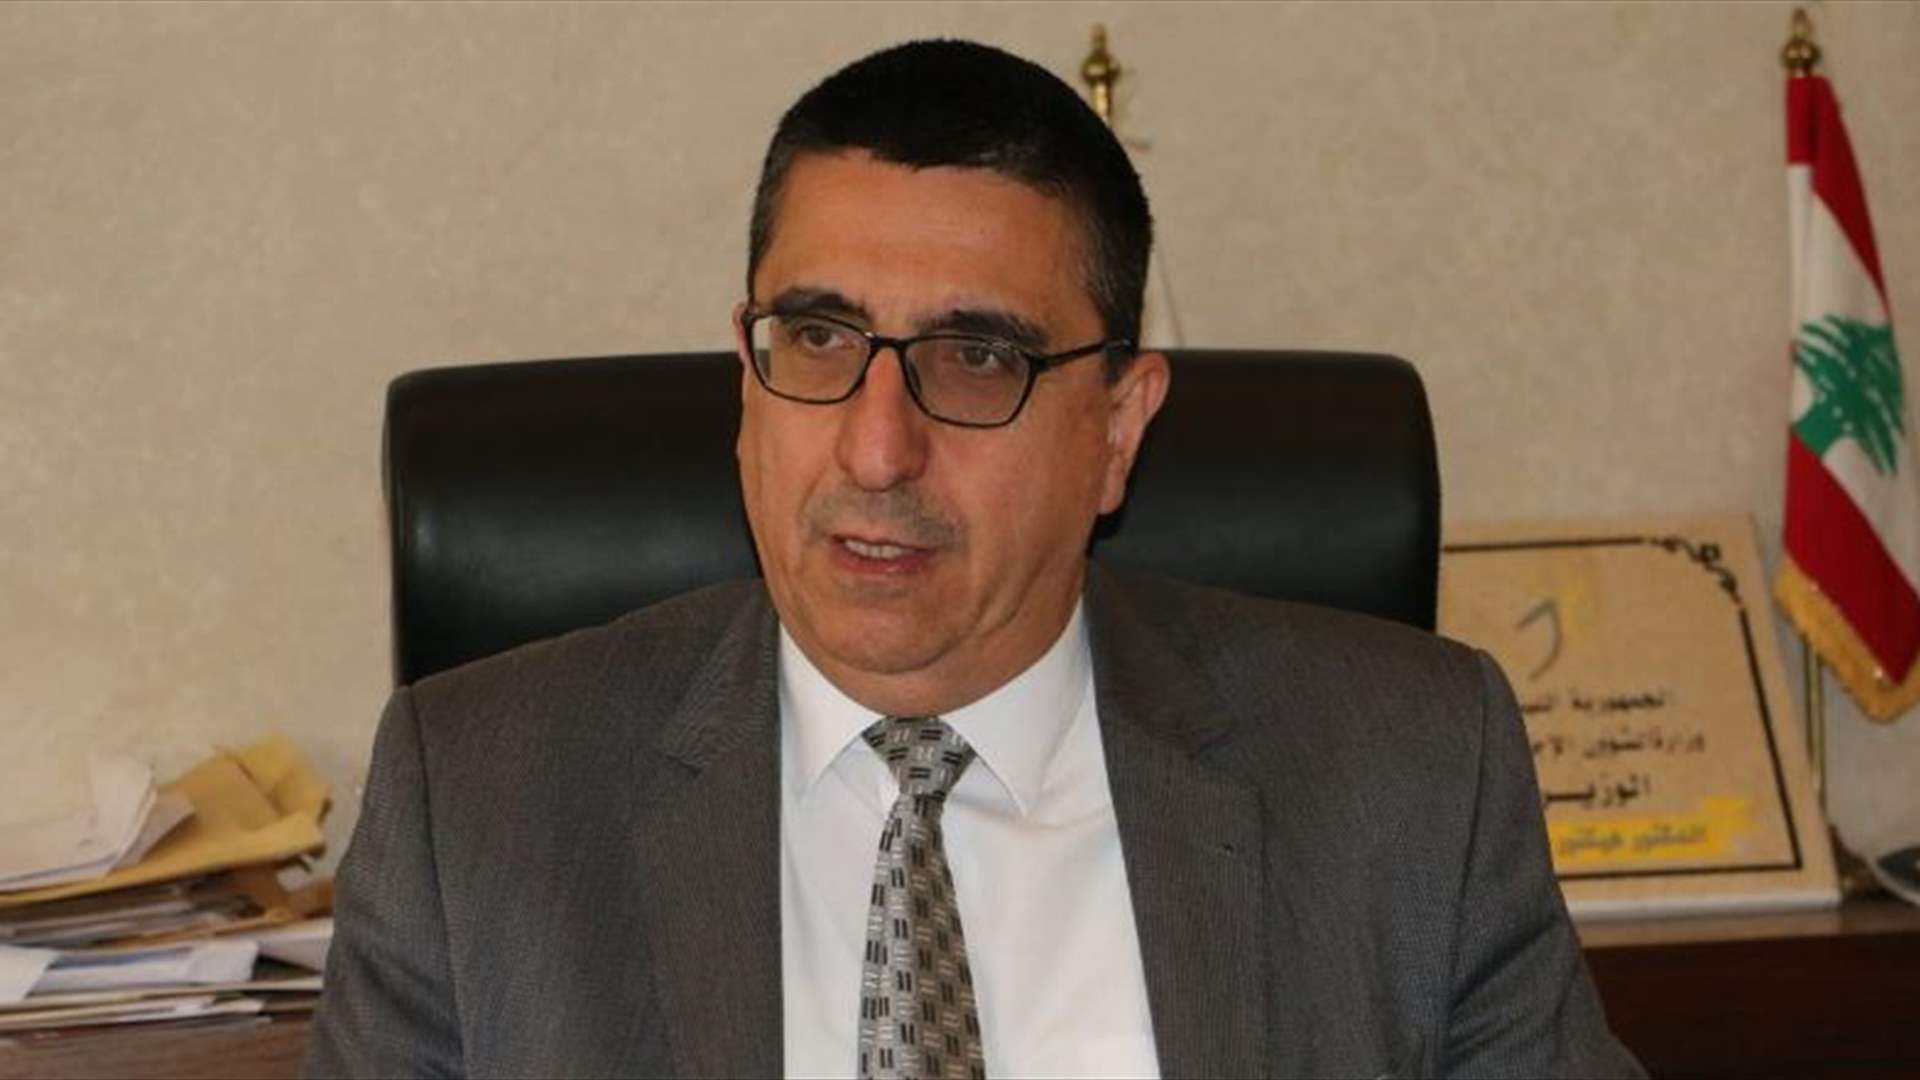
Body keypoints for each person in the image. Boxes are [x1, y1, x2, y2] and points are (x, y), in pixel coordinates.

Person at [307, 39, 1642, 1080]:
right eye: (819, 340)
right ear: (747, 380)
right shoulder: (476, 806)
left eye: (976, 360)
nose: (877, 449)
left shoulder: (1410, 777)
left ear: (1117, 429)